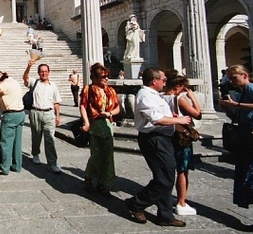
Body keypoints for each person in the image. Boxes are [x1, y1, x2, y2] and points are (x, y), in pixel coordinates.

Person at [125, 67, 191, 227]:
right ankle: (136, 203)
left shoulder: (153, 95)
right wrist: (179, 121)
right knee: (165, 179)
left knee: (165, 175)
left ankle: (165, 215)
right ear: (154, 81)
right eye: (163, 79)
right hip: (154, 139)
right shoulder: (145, 95)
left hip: (163, 138)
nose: (165, 82)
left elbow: (160, 115)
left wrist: (171, 117)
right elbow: (156, 119)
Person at [219, 65, 253, 233]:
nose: (231, 81)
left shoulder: (252, 88)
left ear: (245, 75)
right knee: (251, 183)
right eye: (229, 78)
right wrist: (229, 108)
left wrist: (236, 104)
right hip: (248, 140)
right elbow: (242, 115)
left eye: (234, 77)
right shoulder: (243, 91)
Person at [161, 74, 201, 216]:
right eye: (183, 88)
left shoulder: (161, 97)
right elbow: (197, 114)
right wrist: (193, 98)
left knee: (169, 169)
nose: (184, 91)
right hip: (181, 137)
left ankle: (165, 198)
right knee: (182, 171)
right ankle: (181, 202)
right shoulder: (180, 99)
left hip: (168, 136)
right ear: (177, 87)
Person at [79, 63, 120, 197]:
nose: (106, 79)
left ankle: (104, 183)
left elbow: (117, 108)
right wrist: (86, 122)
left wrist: (109, 114)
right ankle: (89, 177)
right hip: (95, 125)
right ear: (95, 78)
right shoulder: (88, 89)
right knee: (96, 155)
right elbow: (83, 106)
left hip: (107, 125)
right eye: (103, 77)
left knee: (108, 156)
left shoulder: (111, 91)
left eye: (107, 76)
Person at [23, 59, 62, 174]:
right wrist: (28, 66)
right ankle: (35, 153)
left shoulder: (53, 86)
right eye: (41, 71)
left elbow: (56, 102)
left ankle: (52, 163)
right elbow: (25, 78)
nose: (44, 73)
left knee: (50, 138)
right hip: (35, 112)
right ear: (38, 73)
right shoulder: (34, 82)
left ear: (49, 72)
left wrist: (57, 116)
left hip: (49, 113)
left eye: (45, 71)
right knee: (36, 135)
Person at [0, 71, 25, 175]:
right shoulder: (14, 82)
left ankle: (4, 167)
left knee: (6, 142)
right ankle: (17, 165)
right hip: (20, 113)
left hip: (10, 115)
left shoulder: (4, 85)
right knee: (17, 142)